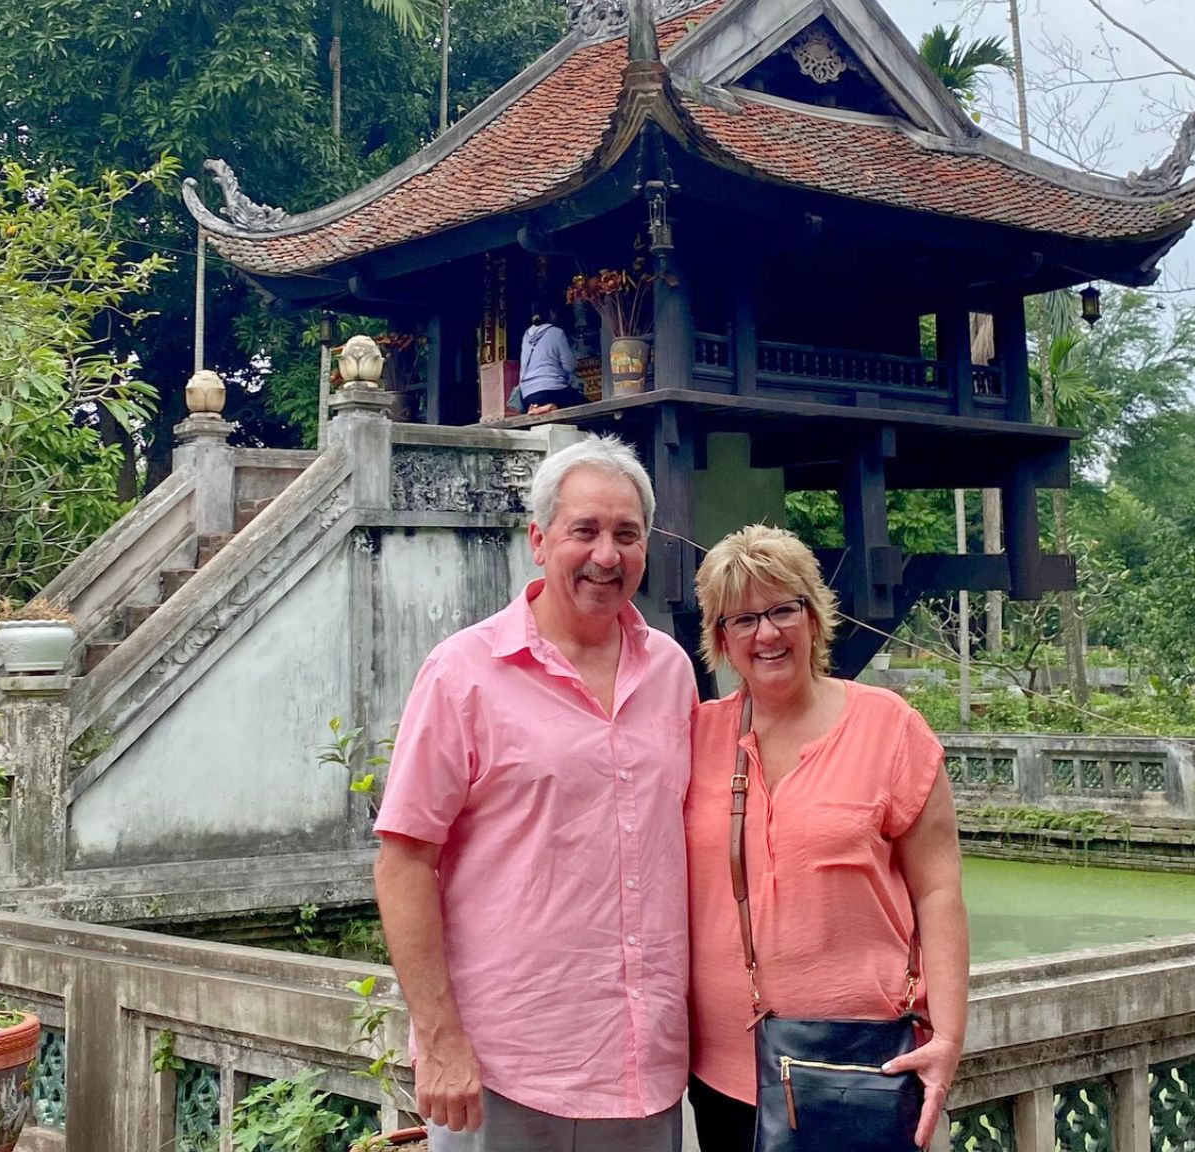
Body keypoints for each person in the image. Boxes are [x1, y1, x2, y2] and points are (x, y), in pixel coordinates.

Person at [373, 433, 696, 1152]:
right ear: (540, 540)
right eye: (584, 530)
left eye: (626, 534)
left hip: (643, 1066)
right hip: (503, 1068)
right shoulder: (464, 672)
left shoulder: (671, 670)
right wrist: (440, 1039)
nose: (606, 556)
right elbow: (403, 862)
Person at [683, 525, 969, 1152]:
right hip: (726, 1072)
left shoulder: (890, 727)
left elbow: (939, 891)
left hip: (863, 1063)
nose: (766, 633)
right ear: (721, 640)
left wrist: (947, 1035)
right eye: (742, 619)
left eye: (783, 609)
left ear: (813, 616)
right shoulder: (696, 738)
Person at [514, 301, 586, 414]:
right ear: (550, 313)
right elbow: (569, 366)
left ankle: (538, 407)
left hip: (527, 396)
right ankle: (551, 405)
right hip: (551, 391)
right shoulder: (556, 332)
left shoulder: (526, 336)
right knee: (584, 404)